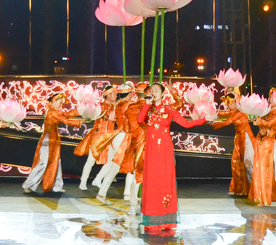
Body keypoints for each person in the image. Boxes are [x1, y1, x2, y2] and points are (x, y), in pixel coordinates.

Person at [137, 82, 206, 233]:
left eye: (156, 90)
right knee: (152, 183)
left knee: (164, 182)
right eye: (151, 90)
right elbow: (140, 120)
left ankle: (166, 221)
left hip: (165, 150)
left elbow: (186, 124)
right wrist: (147, 104)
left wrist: (203, 119)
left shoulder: (169, 110)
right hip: (151, 150)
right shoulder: (147, 109)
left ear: (162, 94)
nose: (154, 92)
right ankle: (152, 220)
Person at [22, 92, 84, 194]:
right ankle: (28, 184)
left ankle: (57, 186)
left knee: (57, 162)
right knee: (43, 163)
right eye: (60, 102)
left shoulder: (55, 111)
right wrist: (78, 123)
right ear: (54, 101)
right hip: (47, 142)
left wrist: (81, 110)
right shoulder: (52, 112)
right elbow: (65, 120)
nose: (61, 104)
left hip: (54, 140)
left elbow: (67, 114)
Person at [93, 84, 137, 203]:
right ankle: (128, 194)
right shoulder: (130, 105)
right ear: (130, 94)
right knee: (127, 166)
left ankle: (125, 193)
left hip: (117, 136)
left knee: (116, 167)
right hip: (125, 137)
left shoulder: (117, 104)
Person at [211, 92, 254, 196]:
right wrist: (209, 112)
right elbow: (222, 113)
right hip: (239, 139)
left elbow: (227, 122)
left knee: (249, 165)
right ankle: (240, 189)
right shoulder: (234, 111)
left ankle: (254, 190)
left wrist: (213, 124)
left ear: (235, 103)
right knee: (236, 163)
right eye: (227, 103)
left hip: (246, 139)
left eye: (230, 103)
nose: (228, 106)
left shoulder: (239, 111)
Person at [77, 87, 118, 190]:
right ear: (107, 95)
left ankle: (98, 179)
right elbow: (102, 116)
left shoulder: (115, 107)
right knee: (91, 160)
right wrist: (109, 117)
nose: (116, 96)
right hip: (98, 136)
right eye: (113, 94)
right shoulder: (100, 106)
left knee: (111, 161)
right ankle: (83, 182)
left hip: (109, 137)